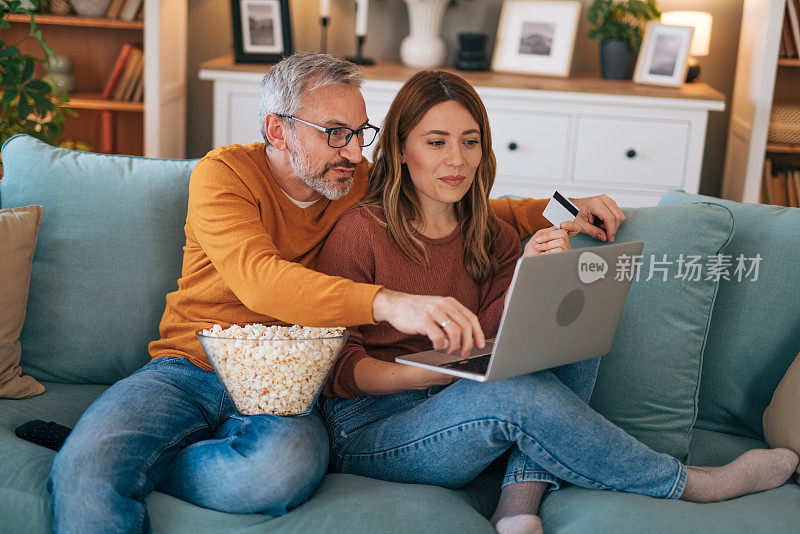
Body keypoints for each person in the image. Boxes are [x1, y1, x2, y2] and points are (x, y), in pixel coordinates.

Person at [46, 53, 627, 532]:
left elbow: (461, 197)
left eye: (361, 133)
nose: (355, 151)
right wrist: (386, 301)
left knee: (280, 472)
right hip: (191, 365)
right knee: (86, 470)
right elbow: (260, 278)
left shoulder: (351, 180)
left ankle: (155, 464)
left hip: (297, 381)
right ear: (278, 130)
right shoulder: (224, 176)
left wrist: (565, 209)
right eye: (337, 134)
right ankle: (119, 457)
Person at [316, 70, 800, 534]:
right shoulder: (360, 234)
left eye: (470, 141)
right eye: (436, 142)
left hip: (461, 409)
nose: (457, 160)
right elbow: (337, 372)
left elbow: (493, 344)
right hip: (373, 430)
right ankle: (691, 483)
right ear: (401, 150)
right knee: (509, 392)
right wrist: (433, 373)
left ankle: (518, 500)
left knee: (575, 336)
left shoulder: (494, 236)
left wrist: (532, 278)